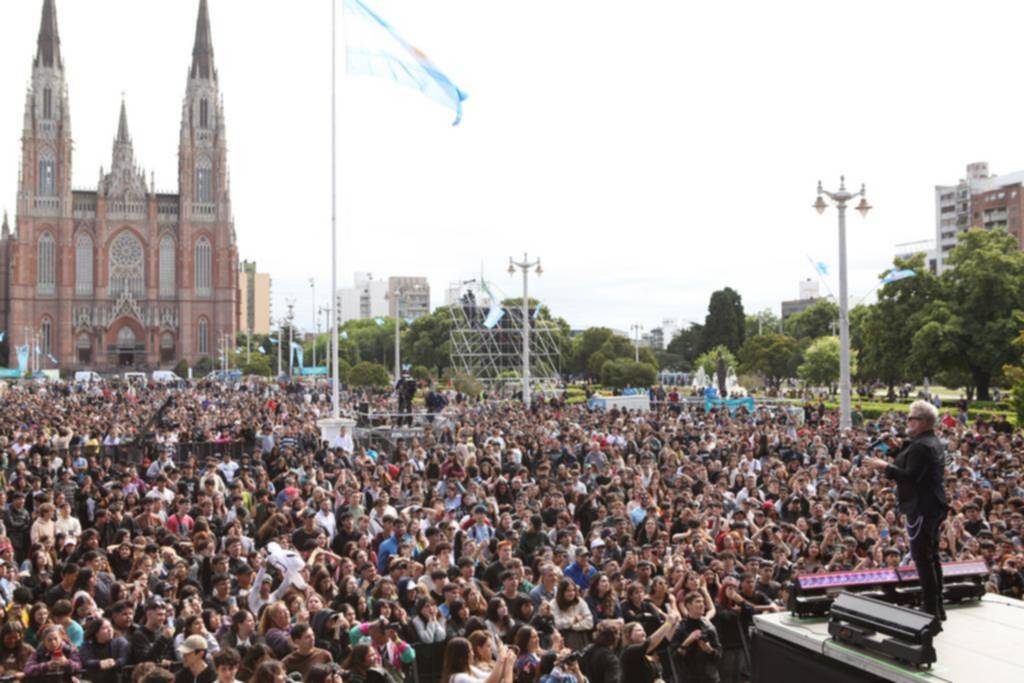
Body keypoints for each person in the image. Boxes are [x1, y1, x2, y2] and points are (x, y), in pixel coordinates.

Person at [866, 400, 950, 622]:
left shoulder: (922, 446)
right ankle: (937, 606)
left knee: (922, 557)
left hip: (922, 505)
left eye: (912, 418)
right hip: (931, 503)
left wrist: (885, 467)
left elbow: (910, 475)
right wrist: (895, 449)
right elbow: (909, 462)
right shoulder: (928, 442)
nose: (908, 421)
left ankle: (930, 608)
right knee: (931, 556)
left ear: (923, 422)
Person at [440, 636, 515, 683]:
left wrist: (506, 659)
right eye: (470, 651)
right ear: (461, 657)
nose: (473, 654)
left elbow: (492, 676)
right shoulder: (459, 678)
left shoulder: (470, 668)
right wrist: (501, 659)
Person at [80, 617, 130, 683]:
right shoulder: (87, 644)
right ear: (96, 633)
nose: (109, 630)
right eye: (104, 628)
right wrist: (99, 663)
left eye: (110, 627)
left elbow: (123, 658)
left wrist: (114, 663)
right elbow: (86, 660)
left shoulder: (121, 641)